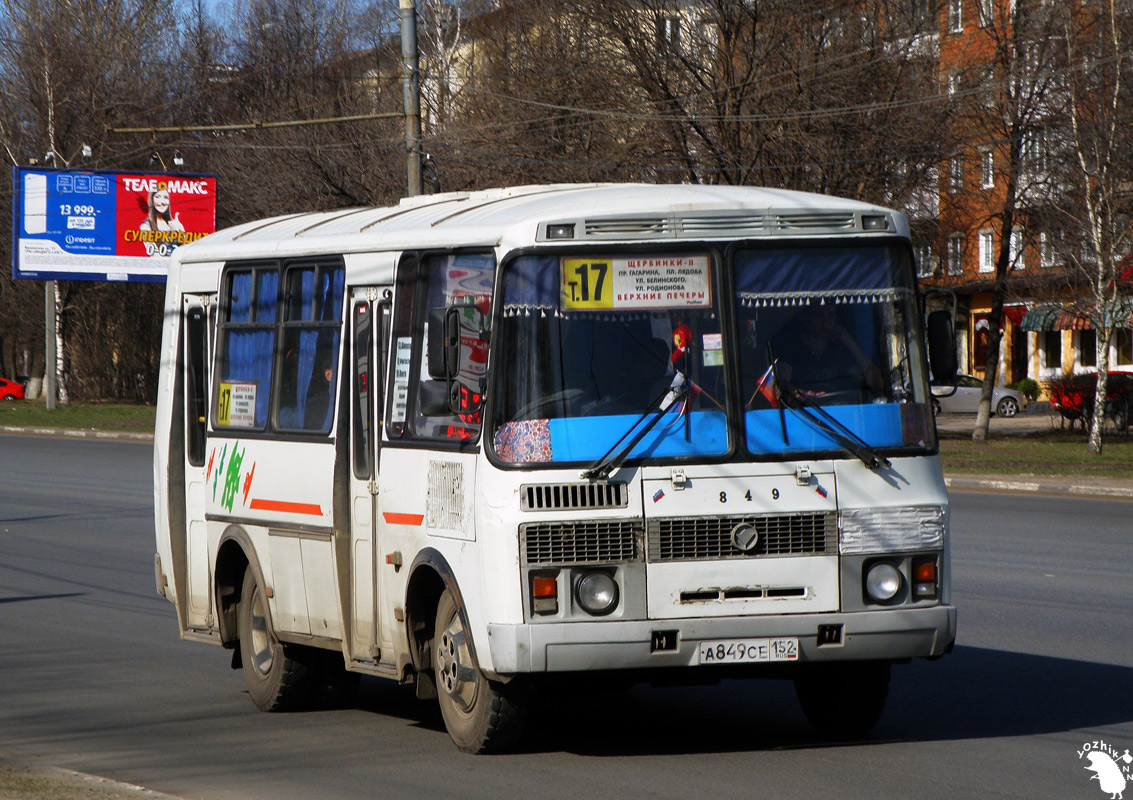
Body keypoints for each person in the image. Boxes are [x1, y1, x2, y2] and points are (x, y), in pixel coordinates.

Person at [774, 302, 882, 399]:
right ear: (806, 318)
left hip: (837, 414)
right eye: (819, 316)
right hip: (803, 412)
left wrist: (848, 340)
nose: (826, 322)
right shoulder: (792, 347)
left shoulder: (839, 349)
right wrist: (801, 394)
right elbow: (782, 385)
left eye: (830, 316)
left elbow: (876, 383)